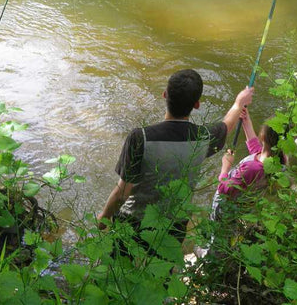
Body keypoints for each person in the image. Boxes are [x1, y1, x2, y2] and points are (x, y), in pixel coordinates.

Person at [96, 69, 254, 245]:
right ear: (197, 105)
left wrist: (103, 218)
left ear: (165, 95)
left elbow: (122, 193)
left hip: (133, 224)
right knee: (163, 271)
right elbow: (227, 125)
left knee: (121, 267)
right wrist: (239, 103)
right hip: (174, 227)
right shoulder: (202, 139)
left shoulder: (140, 137)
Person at [211, 107, 286, 220]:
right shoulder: (276, 163)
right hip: (241, 208)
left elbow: (223, 189)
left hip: (225, 208)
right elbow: (256, 150)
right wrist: (247, 121)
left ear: (262, 135)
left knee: (217, 229)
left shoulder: (252, 169)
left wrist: (226, 166)